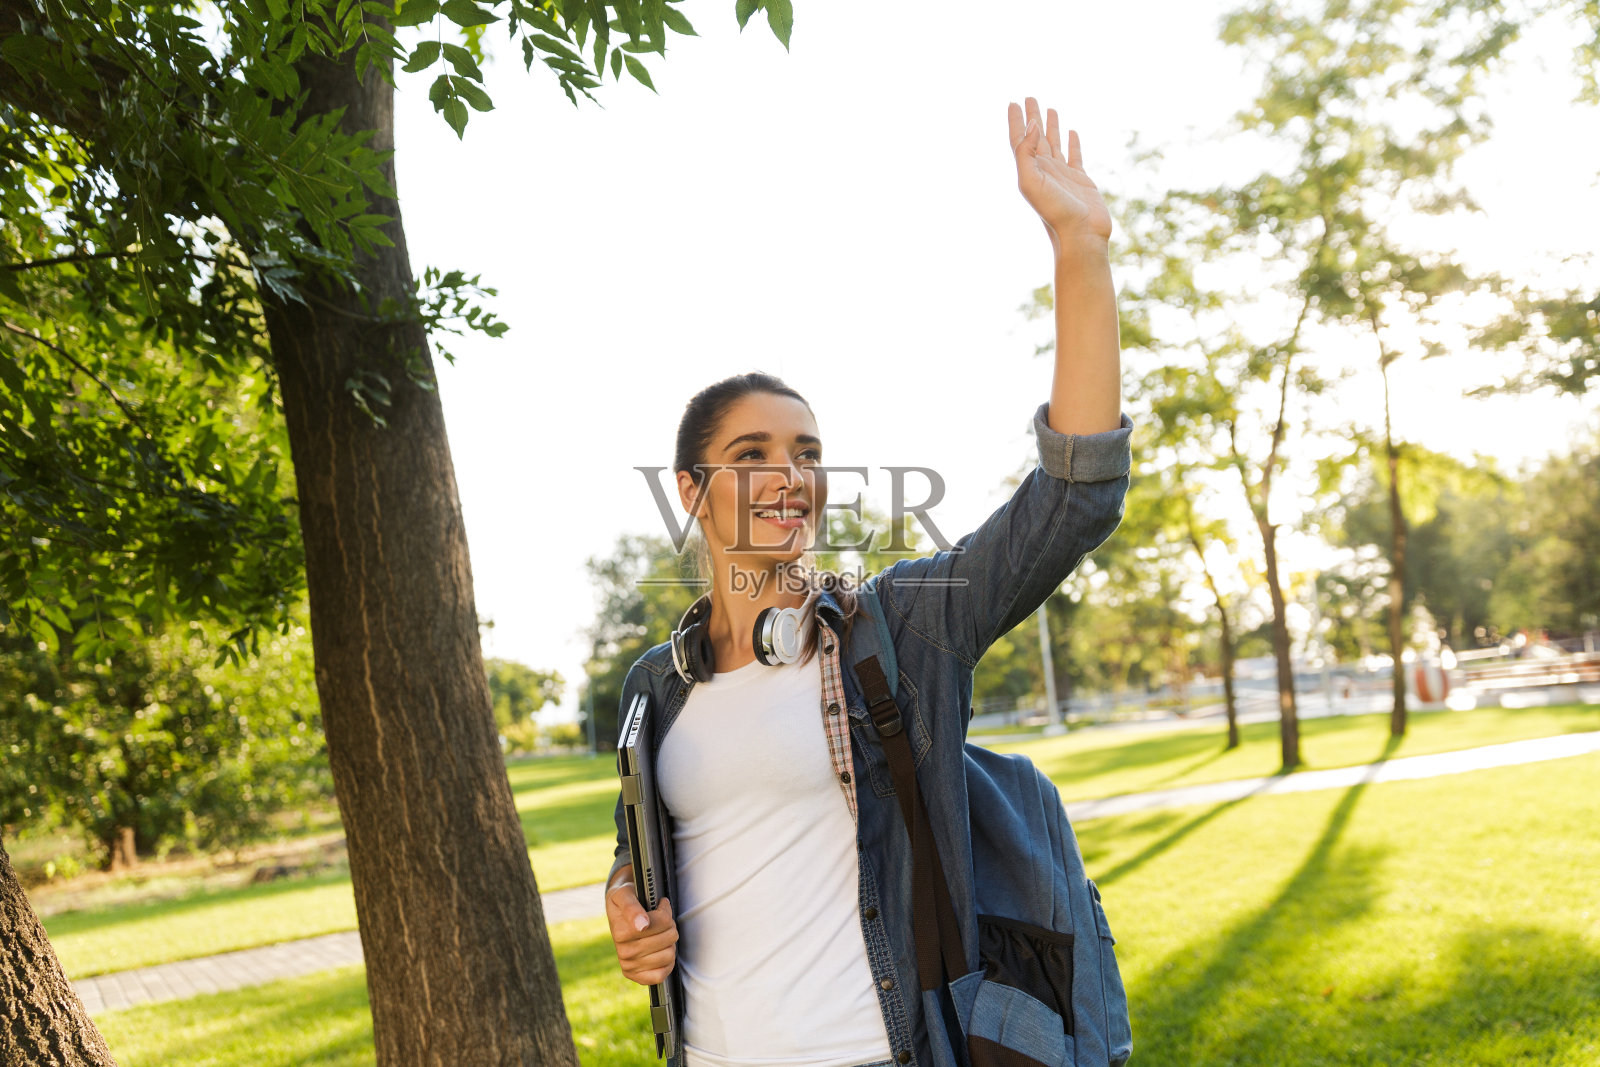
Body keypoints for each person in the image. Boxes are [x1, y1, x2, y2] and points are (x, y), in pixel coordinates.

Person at [605, 97, 1134, 1067]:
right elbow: (644, 854)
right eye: (751, 451)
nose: (788, 474)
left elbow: (1072, 502)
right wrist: (625, 901)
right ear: (691, 488)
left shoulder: (901, 629)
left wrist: (1078, 251)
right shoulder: (653, 687)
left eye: (804, 450)